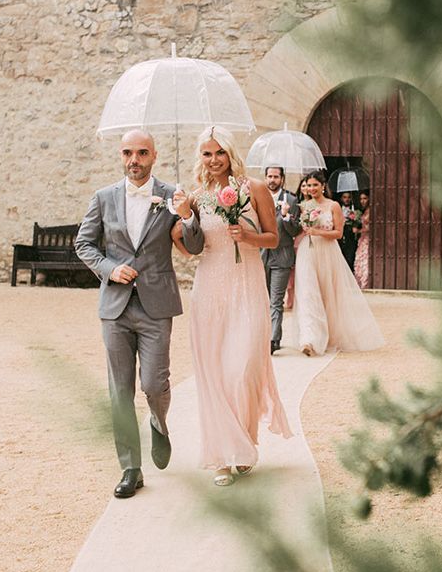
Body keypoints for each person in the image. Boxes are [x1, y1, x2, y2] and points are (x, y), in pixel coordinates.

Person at [74, 129, 204, 499]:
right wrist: (109, 268)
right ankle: (131, 467)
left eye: (142, 153)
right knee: (119, 390)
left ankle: (158, 421)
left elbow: (193, 246)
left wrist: (187, 215)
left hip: (156, 306)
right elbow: (84, 243)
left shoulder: (169, 195)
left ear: (154, 156)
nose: (135, 160)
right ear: (121, 156)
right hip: (115, 307)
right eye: (128, 153)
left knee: (153, 383)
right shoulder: (103, 198)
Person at [171, 126, 292, 487]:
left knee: (241, 369)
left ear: (230, 153)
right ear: (200, 158)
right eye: (207, 154)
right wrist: (182, 221)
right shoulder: (194, 197)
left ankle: (242, 440)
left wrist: (248, 236)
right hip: (209, 291)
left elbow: (274, 238)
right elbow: (187, 246)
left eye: (219, 152)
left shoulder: (252, 189)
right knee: (214, 376)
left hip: (247, 288)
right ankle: (222, 456)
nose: (213, 160)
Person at [294, 171, 384, 356]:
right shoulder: (304, 205)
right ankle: (309, 339)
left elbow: (338, 233)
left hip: (327, 252)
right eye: (308, 185)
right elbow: (301, 229)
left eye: (314, 185)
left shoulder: (333, 206)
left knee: (328, 293)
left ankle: (330, 335)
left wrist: (317, 232)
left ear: (323, 185)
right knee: (308, 293)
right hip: (307, 252)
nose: (311, 189)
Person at [261, 166, 301, 354]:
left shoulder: (291, 200)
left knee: (276, 300)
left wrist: (286, 216)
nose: (272, 180)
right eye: (269, 176)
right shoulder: (257, 198)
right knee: (262, 298)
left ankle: (273, 339)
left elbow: (295, 231)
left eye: (276, 176)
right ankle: (261, 336)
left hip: (282, 256)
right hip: (261, 256)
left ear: (282, 179)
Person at [285, 175, 311, 310]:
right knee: (293, 270)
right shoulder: (294, 202)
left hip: (309, 238)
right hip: (296, 239)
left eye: (309, 185)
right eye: (304, 185)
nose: (306, 188)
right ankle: (291, 299)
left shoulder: (315, 204)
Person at [354, 190, 371, 289]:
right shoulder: (364, 211)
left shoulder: (370, 210)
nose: (362, 201)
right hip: (362, 239)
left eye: (365, 198)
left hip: (367, 238)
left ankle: (365, 283)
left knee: (365, 260)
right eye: (361, 199)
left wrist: (359, 230)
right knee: (359, 259)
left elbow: (370, 227)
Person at [337, 191, 359, 270]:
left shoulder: (355, 209)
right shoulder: (338, 208)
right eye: (345, 197)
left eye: (349, 197)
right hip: (341, 236)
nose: (347, 199)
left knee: (350, 257)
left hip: (351, 236)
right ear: (341, 198)